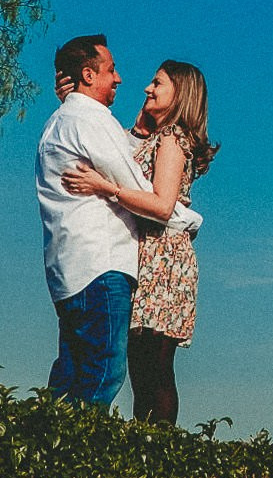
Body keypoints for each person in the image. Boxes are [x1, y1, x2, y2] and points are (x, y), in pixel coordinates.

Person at [36, 34, 199, 408]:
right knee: (107, 370)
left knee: (130, 369)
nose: (129, 82)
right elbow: (142, 185)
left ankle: (58, 445)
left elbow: (155, 199)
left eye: (157, 83)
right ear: (89, 75)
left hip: (142, 259)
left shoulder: (79, 122)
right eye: (111, 70)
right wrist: (185, 218)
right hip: (106, 262)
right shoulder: (92, 122)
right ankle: (79, 453)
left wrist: (106, 185)